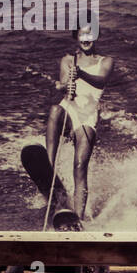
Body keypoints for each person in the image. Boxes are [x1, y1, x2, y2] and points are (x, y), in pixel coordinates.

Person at [44, 24, 113, 219]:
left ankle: (79, 217)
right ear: (76, 36)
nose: (86, 38)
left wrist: (81, 73)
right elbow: (63, 85)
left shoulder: (106, 61)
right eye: (82, 34)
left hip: (88, 116)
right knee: (55, 109)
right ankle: (49, 170)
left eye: (90, 34)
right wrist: (64, 85)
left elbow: (101, 81)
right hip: (69, 108)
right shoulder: (68, 60)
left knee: (80, 165)